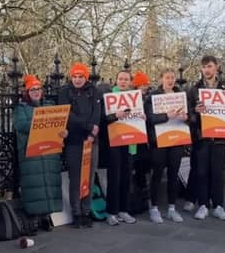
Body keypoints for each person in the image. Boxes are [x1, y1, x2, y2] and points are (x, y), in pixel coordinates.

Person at [14, 75, 63, 227]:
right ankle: (33, 217)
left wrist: (62, 131)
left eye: (38, 89)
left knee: (48, 182)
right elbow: (20, 125)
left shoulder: (50, 105)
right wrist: (41, 120)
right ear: (27, 92)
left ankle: (47, 215)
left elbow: (58, 124)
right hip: (31, 150)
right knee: (33, 184)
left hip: (49, 150)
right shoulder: (21, 108)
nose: (36, 92)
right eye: (32, 89)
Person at [187, 55, 225, 220]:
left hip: (219, 138)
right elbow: (188, 113)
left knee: (218, 173)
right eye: (204, 67)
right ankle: (203, 205)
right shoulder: (194, 89)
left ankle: (219, 205)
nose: (207, 70)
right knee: (202, 172)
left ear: (216, 67)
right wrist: (194, 113)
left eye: (210, 66)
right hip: (202, 137)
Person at [58, 63, 100, 228]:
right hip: (74, 141)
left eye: (80, 76)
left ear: (85, 77)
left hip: (91, 141)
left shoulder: (93, 91)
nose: (77, 79)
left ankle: (86, 211)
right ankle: (76, 212)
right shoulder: (64, 92)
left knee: (88, 178)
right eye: (74, 76)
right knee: (75, 178)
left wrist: (92, 134)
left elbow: (96, 113)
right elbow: (67, 115)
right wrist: (88, 126)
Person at [145, 69, 187, 223]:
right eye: (167, 77)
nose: (170, 80)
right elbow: (149, 118)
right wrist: (166, 116)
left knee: (173, 174)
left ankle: (171, 208)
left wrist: (186, 117)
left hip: (176, 139)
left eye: (172, 77)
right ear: (161, 79)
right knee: (157, 174)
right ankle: (154, 208)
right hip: (159, 141)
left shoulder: (181, 96)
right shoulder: (153, 96)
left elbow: (190, 118)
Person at [104, 70, 139, 226]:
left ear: (130, 82)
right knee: (114, 178)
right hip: (115, 141)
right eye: (120, 79)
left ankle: (124, 210)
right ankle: (111, 212)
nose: (123, 82)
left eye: (126, 79)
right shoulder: (110, 97)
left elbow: (138, 117)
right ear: (116, 80)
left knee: (126, 178)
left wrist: (141, 116)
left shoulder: (135, 97)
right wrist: (115, 116)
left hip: (130, 142)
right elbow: (103, 119)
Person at [131, 71, 152, 213]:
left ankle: (143, 199)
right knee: (138, 170)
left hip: (144, 139)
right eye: (143, 84)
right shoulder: (133, 98)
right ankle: (139, 200)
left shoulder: (147, 99)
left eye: (146, 85)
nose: (146, 87)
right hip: (135, 140)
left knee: (142, 170)